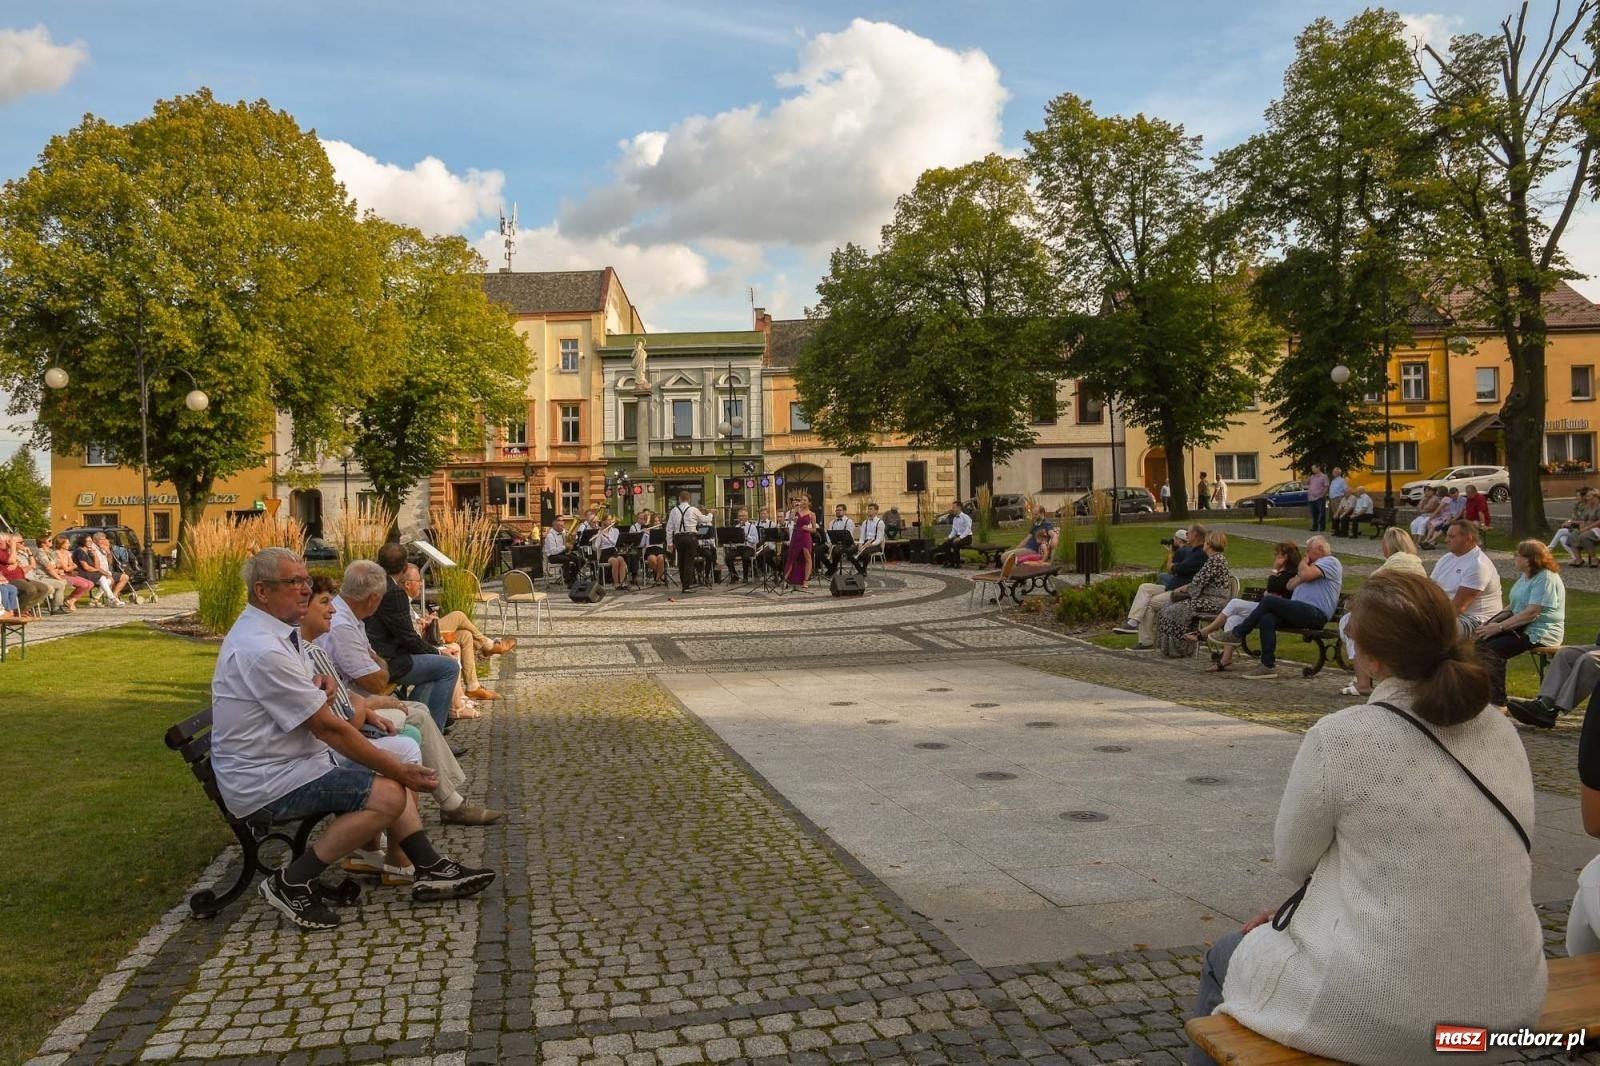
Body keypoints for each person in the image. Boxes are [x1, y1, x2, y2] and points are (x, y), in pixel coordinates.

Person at [1186, 571, 1543, 1065]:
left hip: (1396, 1018)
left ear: (1373, 659)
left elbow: (1294, 862)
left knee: (1224, 954)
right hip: (1510, 1014)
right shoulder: (1500, 733)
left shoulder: (1344, 738)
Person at [211, 548, 495, 931]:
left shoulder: (273, 633)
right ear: (262, 591)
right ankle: (291, 882)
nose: (304, 590)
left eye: (305, 580)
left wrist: (320, 686)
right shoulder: (262, 648)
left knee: (394, 768)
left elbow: (310, 700)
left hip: (289, 760)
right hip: (268, 778)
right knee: (392, 789)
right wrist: (400, 771)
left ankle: (427, 864)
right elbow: (329, 729)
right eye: (294, 582)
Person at [316, 561, 501, 827]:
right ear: (373, 599)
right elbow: (376, 681)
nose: (328, 608)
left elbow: (376, 664)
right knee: (422, 711)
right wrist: (379, 670)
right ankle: (450, 803)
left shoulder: (349, 617)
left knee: (421, 707)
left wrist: (377, 665)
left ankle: (450, 797)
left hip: (358, 696)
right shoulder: (343, 625)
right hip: (353, 706)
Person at [1214, 535, 1342, 680]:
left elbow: (1304, 574)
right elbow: (1290, 585)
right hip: (1300, 611)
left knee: (1269, 601)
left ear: (1319, 549)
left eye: (1308, 551)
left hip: (1315, 613)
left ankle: (1237, 633)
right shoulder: (1311, 568)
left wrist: (1303, 565)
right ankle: (1267, 666)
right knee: (1267, 618)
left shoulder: (1330, 561)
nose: (1306, 555)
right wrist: (1303, 573)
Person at [365, 543, 460, 733]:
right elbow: (408, 638)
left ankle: (423, 726)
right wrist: (438, 652)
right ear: (403, 567)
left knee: (432, 673)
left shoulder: (372, 583)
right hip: (388, 662)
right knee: (449, 667)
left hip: (377, 656)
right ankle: (436, 733)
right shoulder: (393, 592)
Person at [1475, 540, 1564, 712]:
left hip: (1540, 631)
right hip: (1520, 626)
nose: (1514, 557)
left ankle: (1498, 703)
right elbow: (1512, 607)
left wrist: (1499, 628)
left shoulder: (1546, 578)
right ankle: (1484, 697)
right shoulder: (1525, 576)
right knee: (1481, 644)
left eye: (1518, 555)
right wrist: (1489, 624)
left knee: (1493, 650)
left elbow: (1532, 612)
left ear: (1530, 559)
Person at [1336, 527, 1425, 695]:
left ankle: (1362, 681)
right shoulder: (1416, 563)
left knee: (1351, 625)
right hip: (1414, 614)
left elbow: (1371, 591)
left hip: (1392, 615)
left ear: (1388, 545)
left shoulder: (1394, 563)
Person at [399, 563, 503, 704]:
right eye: (419, 582)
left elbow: (412, 622)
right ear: (407, 584)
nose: (421, 586)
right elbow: (411, 633)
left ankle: (473, 687)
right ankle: (487, 645)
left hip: (426, 633)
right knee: (458, 615)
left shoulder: (404, 599)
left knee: (465, 635)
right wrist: (425, 623)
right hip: (423, 639)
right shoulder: (399, 600)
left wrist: (424, 619)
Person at [1192, 541, 1300, 671]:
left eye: (1277, 555)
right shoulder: (1286, 572)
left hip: (1274, 611)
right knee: (1233, 619)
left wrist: (1275, 569)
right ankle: (1226, 660)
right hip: (1264, 607)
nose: (1274, 557)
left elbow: (1272, 586)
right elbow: (1272, 589)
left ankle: (1205, 631)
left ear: (1285, 557)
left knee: (1234, 603)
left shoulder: (1292, 572)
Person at [1116, 526, 1207, 650]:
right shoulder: (1192, 551)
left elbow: (1175, 569)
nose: (1187, 536)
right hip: (1173, 586)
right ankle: (1133, 621)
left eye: (1188, 533)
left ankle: (1145, 641)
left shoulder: (1199, 553)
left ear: (1195, 535)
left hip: (1181, 592)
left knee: (1148, 604)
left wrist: (1173, 560)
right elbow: (1176, 569)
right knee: (1144, 587)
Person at [1157, 531, 1231, 658]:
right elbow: (1199, 581)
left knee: (1176, 609)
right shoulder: (1213, 559)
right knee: (1167, 606)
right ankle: (1172, 647)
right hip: (1206, 598)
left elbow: (1198, 583)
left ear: (1209, 544)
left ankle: (1179, 648)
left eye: (1206, 542)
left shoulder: (1216, 560)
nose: (1204, 544)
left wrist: (1183, 590)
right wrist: (1185, 588)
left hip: (1214, 601)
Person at [1428, 519, 1502, 635]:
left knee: (1431, 631)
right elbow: (1430, 589)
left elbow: (1459, 607)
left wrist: (1428, 618)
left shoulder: (1478, 565)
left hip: (1478, 620)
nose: (1446, 540)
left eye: (1452, 537)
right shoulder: (1446, 558)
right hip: (1449, 613)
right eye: (1447, 536)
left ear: (1468, 539)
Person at [664, 492, 716, 590]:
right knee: (689, 561)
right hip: (690, 537)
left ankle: (684, 583)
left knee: (681, 561)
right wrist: (711, 513)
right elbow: (705, 519)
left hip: (678, 538)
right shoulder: (693, 509)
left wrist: (670, 543)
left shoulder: (674, 510)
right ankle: (686, 586)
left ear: (679, 499)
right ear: (689, 499)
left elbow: (669, 528)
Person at [72, 533, 123, 607]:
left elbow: (97, 565)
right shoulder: (80, 551)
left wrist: (95, 555)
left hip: (89, 573)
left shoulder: (89, 551)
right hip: (81, 573)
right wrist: (98, 571)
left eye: (91, 541)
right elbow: (86, 567)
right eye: (88, 541)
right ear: (83, 542)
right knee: (102, 577)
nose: (90, 543)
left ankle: (97, 599)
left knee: (108, 580)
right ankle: (112, 599)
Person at [50, 535, 92, 611]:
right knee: (84, 585)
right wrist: (69, 567)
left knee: (90, 584)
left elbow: (72, 566)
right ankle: (69, 601)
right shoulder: (56, 553)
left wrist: (69, 567)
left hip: (69, 574)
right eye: (67, 543)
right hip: (61, 575)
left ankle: (71, 600)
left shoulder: (68, 553)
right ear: (61, 544)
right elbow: (66, 568)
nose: (69, 545)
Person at [1549, 487, 1590, 563]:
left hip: (1582, 529)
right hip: (1574, 527)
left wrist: (1571, 522)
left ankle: (1548, 550)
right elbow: (1573, 518)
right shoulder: (1577, 505)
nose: (1577, 497)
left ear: (1584, 496)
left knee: (1561, 531)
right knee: (1562, 539)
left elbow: (1583, 521)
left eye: (1578, 496)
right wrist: (1568, 522)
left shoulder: (1588, 507)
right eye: (1576, 495)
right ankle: (1575, 558)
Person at [784, 494, 817, 588]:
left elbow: (814, 530)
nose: (802, 502)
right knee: (792, 556)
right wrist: (794, 509)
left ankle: (806, 580)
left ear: (809, 502)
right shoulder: (796, 510)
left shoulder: (812, 514)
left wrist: (807, 528)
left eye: (805, 500)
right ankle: (786, 578)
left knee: (807, 557)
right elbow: (789, 520)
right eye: (801, 500)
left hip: (805, 537)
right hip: (796, 535)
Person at [630, 510, 667, 585]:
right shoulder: (648, 530)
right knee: (653, 560)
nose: (657, 523)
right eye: (655, 521)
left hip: (659, 549)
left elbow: (665, 541)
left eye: (658, 521)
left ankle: (657, 579)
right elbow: (642, 544)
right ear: (652, 522)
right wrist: (643, 533)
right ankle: (659, 574)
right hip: (650, 550)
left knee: (660, 558)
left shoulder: (662, 531)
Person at [724, 508, 759, 583]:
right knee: (728, 557)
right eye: (740, 516)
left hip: (749, 547)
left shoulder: (752, 527)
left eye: (743, 516)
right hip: (739, 547)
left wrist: (746, 536)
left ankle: (745, 577)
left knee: (745, 557)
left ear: (747, 516)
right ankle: (734, 575)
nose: (741, 518)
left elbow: (756, 540)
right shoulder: (736, 527)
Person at [934, 501, 972, 568]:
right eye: (953, 507)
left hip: (967, 537)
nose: (953, 509)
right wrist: (949, 537)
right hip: (958, 536)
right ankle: (950, 562)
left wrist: (960, 538)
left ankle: (957, 563)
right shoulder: (955, 519)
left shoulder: (966, 517)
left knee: (955, 544)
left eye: (954, 507)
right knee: (946, 544)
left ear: (959, 508)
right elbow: (954, 531)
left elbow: (968, 529)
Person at [822, 504, 856, 576]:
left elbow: (849, 536)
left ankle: (833, 568)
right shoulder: (832, 522)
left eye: (840, 510)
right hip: (834, 544)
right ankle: (831, 567)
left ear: (844, 511)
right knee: (818, 549)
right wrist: (829, 544)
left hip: (846, 544)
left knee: (836, 550)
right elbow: (829, 534)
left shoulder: (849, 522)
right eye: (837, 510)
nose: (838, 512)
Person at [543, 515, 577, 585]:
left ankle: (572, 576)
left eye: (563, 521)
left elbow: (570, 544)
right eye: (559, 521)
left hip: (562, 554)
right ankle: (568, 580)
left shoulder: (564, 533)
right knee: (566, 559)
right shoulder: (550, 536)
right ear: (554, 523)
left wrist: (573, 538)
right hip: (552, 556)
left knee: (578, 559)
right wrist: (565, 547)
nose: (562, 523)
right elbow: (553, 551)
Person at [1304, 464, 1329, 532]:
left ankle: (1322, 527)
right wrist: (1307, 478)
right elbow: (1306, 484)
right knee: (1313, 513)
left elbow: (1326, 486)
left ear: (1318, 468)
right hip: (1311, 498)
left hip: (1319, 498)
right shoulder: (1312, 477)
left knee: (1321, 513)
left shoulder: (1324, 476)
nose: (1312, 470)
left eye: (1313, 468)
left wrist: (1322, 495)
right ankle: (1314, 526)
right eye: (1312, 468)